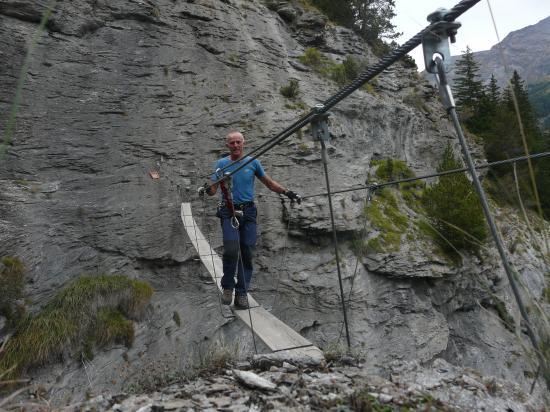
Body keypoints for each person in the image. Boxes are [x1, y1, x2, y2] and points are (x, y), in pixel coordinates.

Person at [198, 131, 300, 309]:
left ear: (243, 143)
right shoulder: (221, 164)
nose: (235, 145)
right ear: (227, 145)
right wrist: (206, 189)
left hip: (249, 211)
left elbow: (269, 183)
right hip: (229, 210)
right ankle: (228, 287)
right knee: (231, 249)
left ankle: (242, 293)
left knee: (247, 251)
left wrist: (287, 192)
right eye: (232, 143)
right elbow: (213, 190)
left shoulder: (253, 162)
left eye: (238, 142)